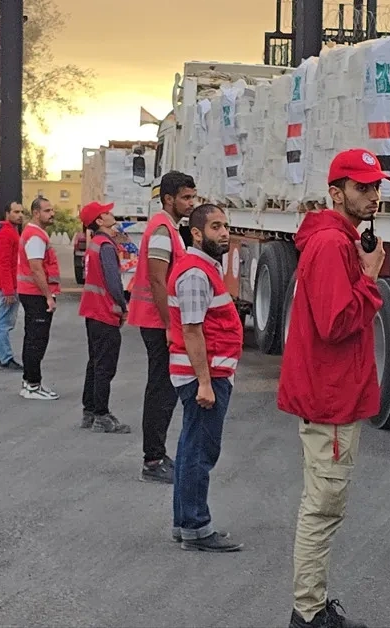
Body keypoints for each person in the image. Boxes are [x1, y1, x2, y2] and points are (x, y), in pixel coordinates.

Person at [278, 149, 390, 628]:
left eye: (376, 186)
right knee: (323, 509)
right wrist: (370, 277)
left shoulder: (339, 240)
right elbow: (335, 323)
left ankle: (311, 607)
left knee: (324, 506)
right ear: (336, 193)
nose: (373, 195)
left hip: (334, 392)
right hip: (331, 399)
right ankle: (308, 613)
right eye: (362, 187)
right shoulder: (331, 244)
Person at [168, 204, 243, 553]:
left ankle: (185, 522)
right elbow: (192, 330)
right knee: (199, 452)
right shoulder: (196, 274)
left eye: (225, 225)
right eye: (215, 227)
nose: (224, 232)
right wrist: (204, 383)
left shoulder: (202, 269)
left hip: (207, 373)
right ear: (196, 233)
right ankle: (196, 528)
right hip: (204, 376)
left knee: (191, 449)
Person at [128, 171, 198, 483]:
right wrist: (170, 325)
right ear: (168, 199)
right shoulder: (161, 229)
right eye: (186, 197)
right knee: (161, 389)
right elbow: (158, 279)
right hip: (158, 321)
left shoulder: (169, 227)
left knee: (164, 389)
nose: (191, 203)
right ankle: (153, 459)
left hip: (159, 320)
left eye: (193, 197)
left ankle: (156, 455)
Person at [78, 201, 133, 434]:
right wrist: (123, 305)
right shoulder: (106, 246)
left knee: (95, 362)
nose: (112, 214)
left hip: (92, 311)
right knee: (105, 366)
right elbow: (113, 281)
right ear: (100, 221)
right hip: (104, 312)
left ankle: (89, 411)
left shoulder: (95, 244)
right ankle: (102, 415)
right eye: (107, 212)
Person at [18, 197, 61, 400]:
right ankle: (33, 385)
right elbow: (36, 268)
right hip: (35, 294)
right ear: (36, 213)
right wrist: (48, 297)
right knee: (37, 340)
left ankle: (29, 382)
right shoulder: (35, 236)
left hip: (32, 293)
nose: (52, 214)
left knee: (33, 338)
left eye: (52, 210)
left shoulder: (35, 233)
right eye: (47, 210)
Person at [0, 201, 24, 372]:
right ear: (7, 214)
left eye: (21, 212)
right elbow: (3, 263)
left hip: (9, 284)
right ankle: (5, 359)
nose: (20, 215)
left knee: (5, 322)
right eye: (16, 212)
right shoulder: (6, 234)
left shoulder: (8, 231)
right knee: (4, 323)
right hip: (10, 286)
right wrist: (7, 289)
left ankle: (4, 358)